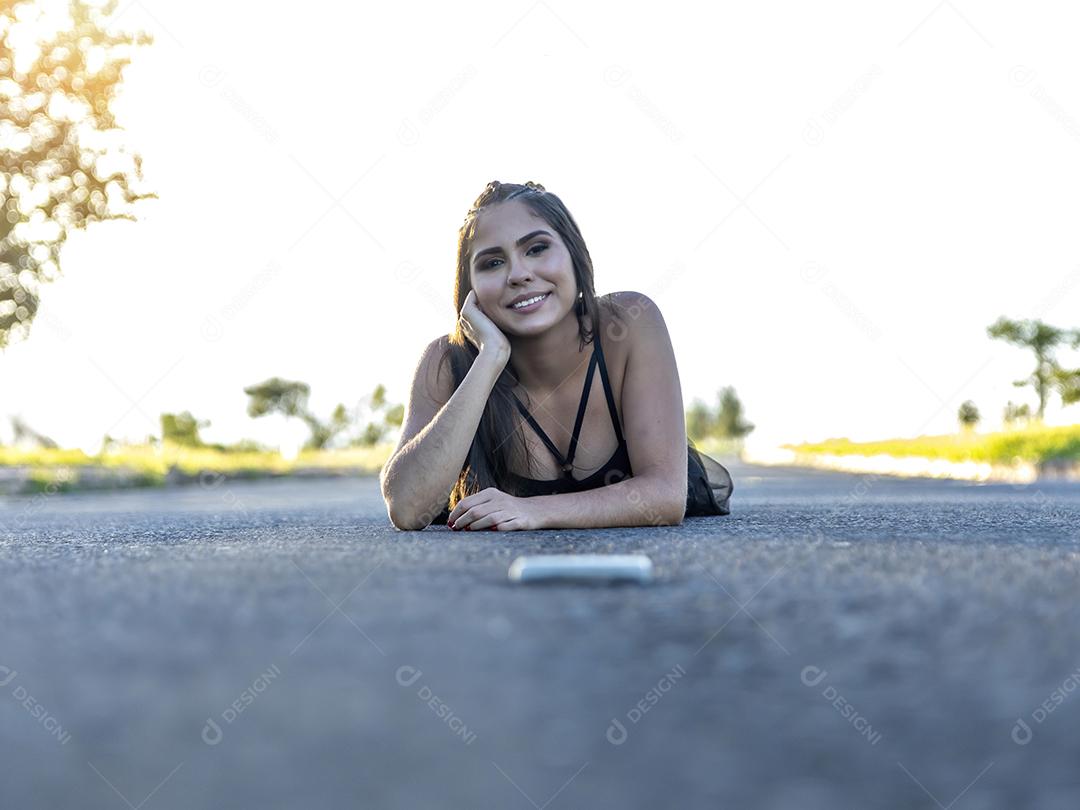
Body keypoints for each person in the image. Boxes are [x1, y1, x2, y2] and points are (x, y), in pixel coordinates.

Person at [379, 180, 733, 531]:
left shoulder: (630, 324)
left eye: (536, 249)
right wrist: (489, 359)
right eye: (492, 263)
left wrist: (536, 511)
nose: (519, 274)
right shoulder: (447, 361)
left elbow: (664, 495)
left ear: (575, 257)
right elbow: (407, 508)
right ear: (470, 290)